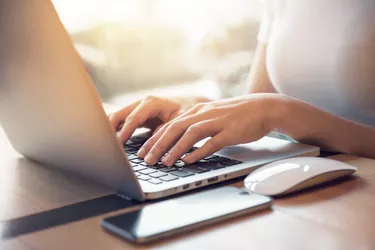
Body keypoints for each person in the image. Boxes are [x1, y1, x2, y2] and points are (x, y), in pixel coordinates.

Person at [109, 0, 375, 167]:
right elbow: (254, 107)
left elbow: (270, 110)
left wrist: (280, 111)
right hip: (310, 184)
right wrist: (187, 114)